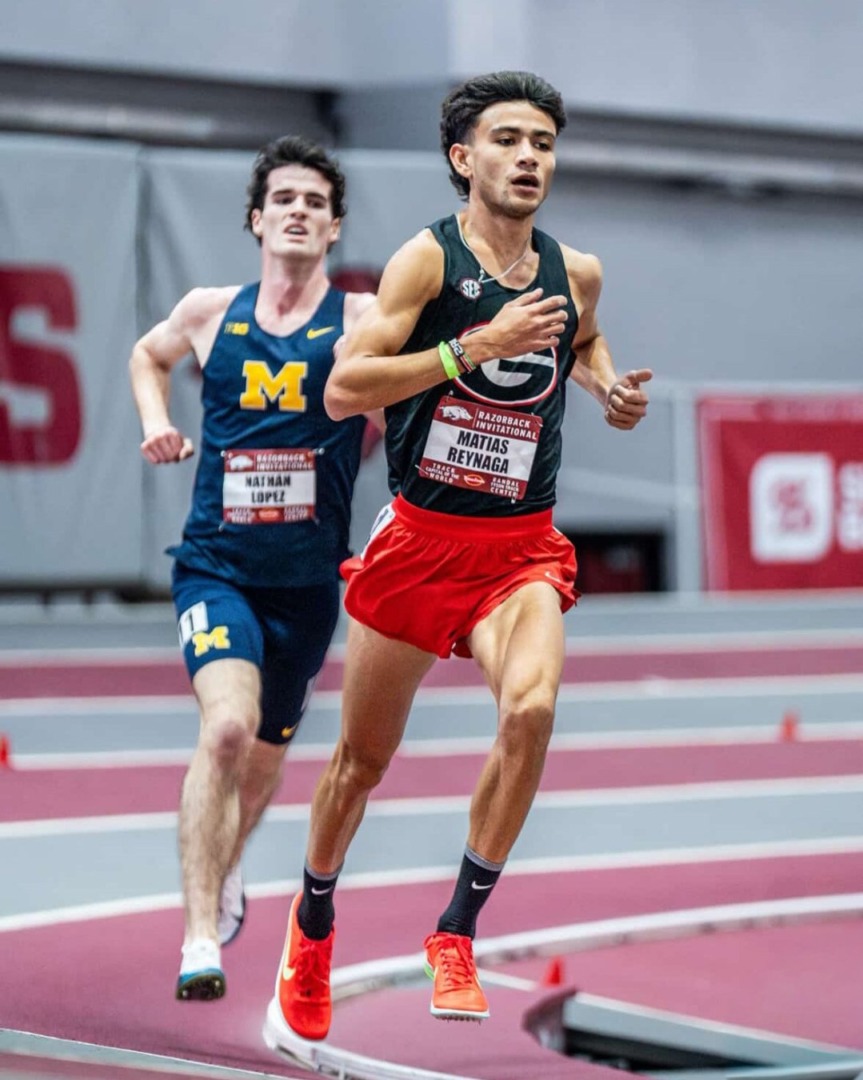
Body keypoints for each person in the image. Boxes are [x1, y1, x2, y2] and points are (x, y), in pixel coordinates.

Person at [271, 71, 652, 1041]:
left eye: (542, 143)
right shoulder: (422, 265)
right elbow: (344, 391)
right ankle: (312, 918)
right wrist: (469, 349)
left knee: (528, 708)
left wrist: (605, 386)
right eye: (508, 141)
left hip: (518, 550)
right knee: (360, 762)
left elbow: (587, 338)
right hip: (418, 546)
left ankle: (455, 928)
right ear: (462, 158)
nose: (529, 158)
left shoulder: (577, 271)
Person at [129, 135, 381, 1002]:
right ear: (257, 218)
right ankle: (200, 935)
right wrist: (155, 419)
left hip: (308, 586)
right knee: (226, 731)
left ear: (335, 225)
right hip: (217, 569)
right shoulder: (209, 310)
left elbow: (413, 386)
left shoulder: (358, 321)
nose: (300, 210)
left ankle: (227, 869)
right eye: (284, 198)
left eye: (316, 200)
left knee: (269, 756)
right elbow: (145, 354)